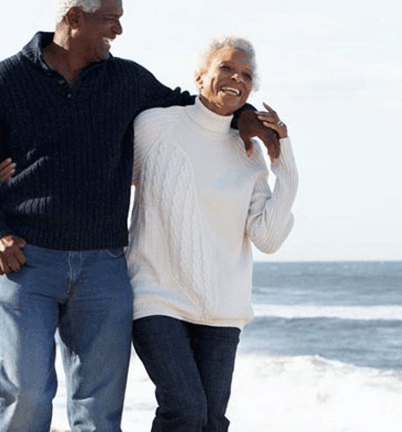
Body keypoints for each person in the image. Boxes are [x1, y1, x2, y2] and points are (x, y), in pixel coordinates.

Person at [0, 0, 282, 431]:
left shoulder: (127, 80)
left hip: (104, 267)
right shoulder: (5, 80)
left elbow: (192, 108)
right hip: (28, 260)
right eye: (111, 20)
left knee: (99, 408)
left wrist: (244, 116)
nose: (119, 30)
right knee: (25, 393)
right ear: (74, 18)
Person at [126, 36, 298, 431]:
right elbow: (107, 177)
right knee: (185, 409)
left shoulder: (249, 151)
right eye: (226, 68)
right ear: (200, 76)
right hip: (157, 299)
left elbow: (268, 239)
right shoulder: (154, 126)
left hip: (222, 310)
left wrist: (285, 164)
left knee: (212, 422)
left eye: (247, 76)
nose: (237, 79)